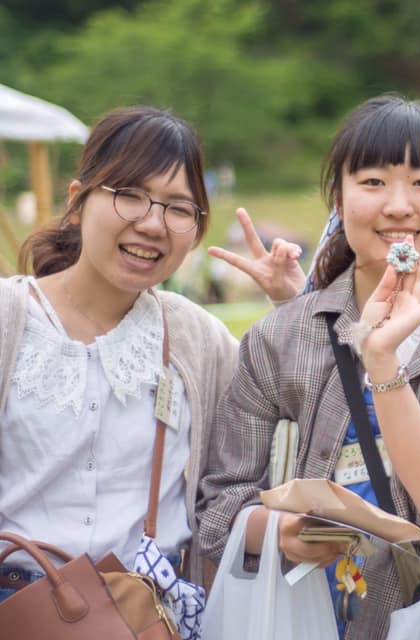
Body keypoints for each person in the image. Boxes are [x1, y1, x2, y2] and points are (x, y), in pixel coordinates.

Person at [196, 94, 420, 639]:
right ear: (338, 198)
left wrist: (381, 361)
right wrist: (277, 530)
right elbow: (219, 507)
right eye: (373, 182)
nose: (399, 206)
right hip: (310, 618)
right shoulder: (279, 338)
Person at [0, 107, 243, 637]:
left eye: (179, 208)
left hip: (144, 616)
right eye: (129, 194)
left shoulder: (198, 341)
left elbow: (290, 405)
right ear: (76, 200)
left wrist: (290, 302)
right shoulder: (9, 320)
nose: (152, 223)